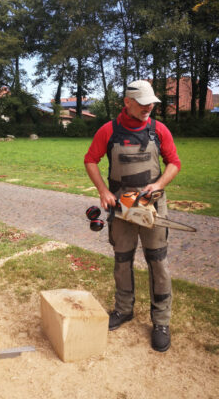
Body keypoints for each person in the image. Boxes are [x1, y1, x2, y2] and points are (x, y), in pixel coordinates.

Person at [84, 80, 180, 352]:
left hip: (153, 207)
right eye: (143, 103)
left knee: (158, 262)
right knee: (122, 260)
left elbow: (175, 162)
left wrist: (159, 185)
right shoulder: (108, 131)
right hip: (122, 209)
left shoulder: (158, 130)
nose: (149, 107)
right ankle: (124, 309)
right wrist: (103, 190)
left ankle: (161, 321)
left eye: (152, 102)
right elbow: (90, 159)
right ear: (127, 102)